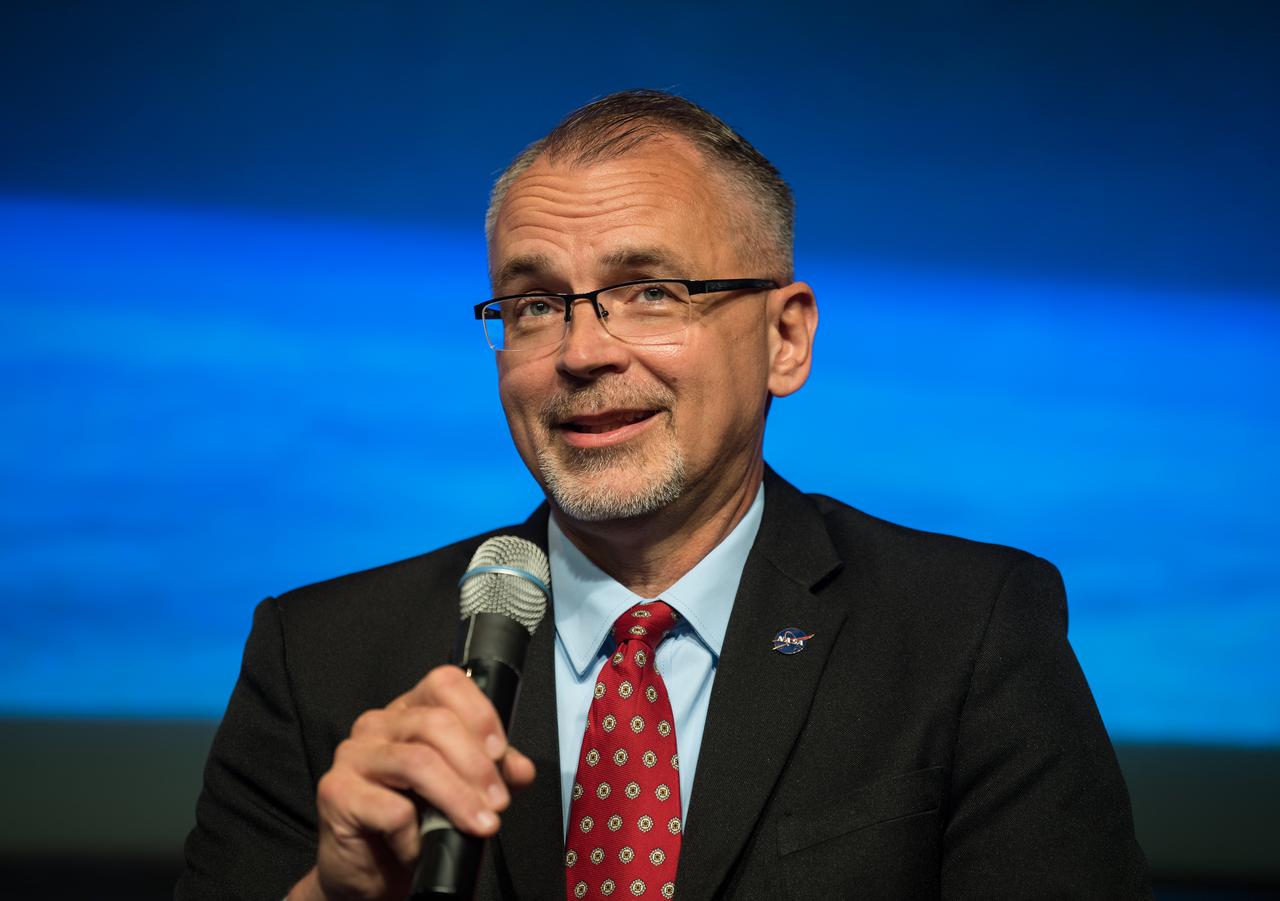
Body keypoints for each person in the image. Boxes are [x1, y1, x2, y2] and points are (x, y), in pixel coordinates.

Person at [177, 89, 1151, 900]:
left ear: (784, 339)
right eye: (533, 305)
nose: (582, 351)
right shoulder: (320, 657)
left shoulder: (964, 632)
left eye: (649, 291)